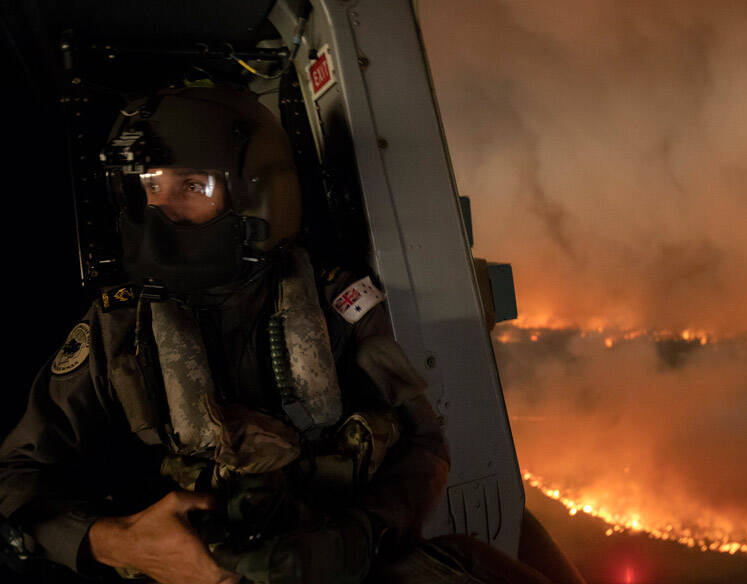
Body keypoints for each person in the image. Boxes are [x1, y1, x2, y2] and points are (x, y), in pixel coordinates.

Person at [0, 85, 451, 583]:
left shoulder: (336, 304)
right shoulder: (120, 326)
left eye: (192, 187)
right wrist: (115, 542)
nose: (161, 211)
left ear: (258, 195)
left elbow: (423, 442)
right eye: (150, 185)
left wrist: (360, 535)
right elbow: (17, 474)